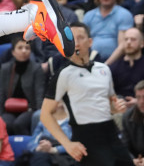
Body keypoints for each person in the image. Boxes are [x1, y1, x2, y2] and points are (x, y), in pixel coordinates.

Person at [39, 20, 132, 166]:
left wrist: (117, 108)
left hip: (111, 132)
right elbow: (45, 114)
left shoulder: (104, 69)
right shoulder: (63, 74)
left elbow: (110, 107)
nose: (76, 42)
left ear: (90, 42)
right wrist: (67, 144)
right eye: (71, 38)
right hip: (86, 137)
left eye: (80, 38)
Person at [0, 38, 46, 135]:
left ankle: (26, 148)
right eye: (20, 48)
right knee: (5, 123)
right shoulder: (5, 68)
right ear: (13, 52)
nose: (24, 50)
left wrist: (39, 113)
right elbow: (1, 94)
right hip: (9, 109)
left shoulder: (36, 69)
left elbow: (39, 93)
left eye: (27, 48)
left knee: (19, 124)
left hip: (30, 109)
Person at [83, 0, 134, 64]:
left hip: (116, 62)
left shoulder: (124, 14)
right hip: (91, 60)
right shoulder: (88, 15)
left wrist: (105, 65)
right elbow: (83, 42)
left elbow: (122, 46)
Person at [25, 101, 74, 166]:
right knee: (38, 157)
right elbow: (32, 142)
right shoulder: (43, 121)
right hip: (43, 153)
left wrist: (54, 150)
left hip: (64, 156)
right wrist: (39, 148)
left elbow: (76, 144)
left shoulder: (73, 123)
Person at [109, 28, 144, 105]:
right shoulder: (114, 67)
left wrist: (138, 101)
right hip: (120, 107)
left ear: (142, 43)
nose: (128, 42)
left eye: (133, 39)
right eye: (126, 39)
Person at [121, 81, 144, 163]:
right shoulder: (128, 117)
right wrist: (133, 160)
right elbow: (125, 146)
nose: (141, 101)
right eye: (138, 97)